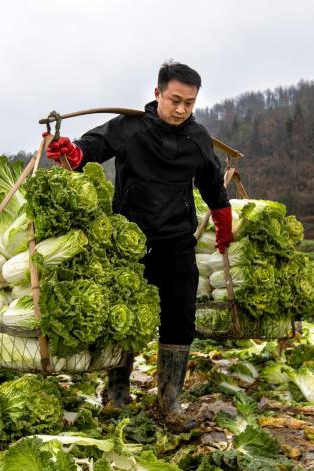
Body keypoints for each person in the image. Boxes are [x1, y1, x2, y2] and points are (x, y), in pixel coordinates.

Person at [45, 61, 233, 426]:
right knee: (125, 319)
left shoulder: (198, 138)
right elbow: (92, 147)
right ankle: (116, 395)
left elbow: (211, 181)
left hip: (178, 241)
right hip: (130, 244)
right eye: (175, 100)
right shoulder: (130, 128)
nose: (181, 109)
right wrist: (72, 152)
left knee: (180, 318)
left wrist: (222, 218)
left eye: (189, 103)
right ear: (158, 93)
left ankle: (170, 401)